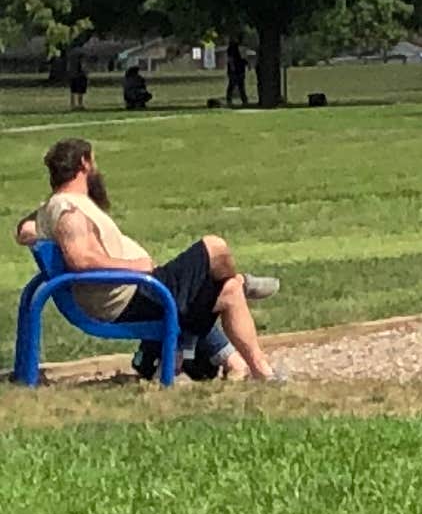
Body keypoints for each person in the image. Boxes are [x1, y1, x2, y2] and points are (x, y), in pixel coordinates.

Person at [18, 140, 283, 382]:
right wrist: (135, 267)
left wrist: (32, 230)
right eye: (94, 163)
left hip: (135, 289)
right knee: (215, 248)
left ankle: (262, 373)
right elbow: (81, 260)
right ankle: (239, 284)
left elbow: (29, 229)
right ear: (84, 163)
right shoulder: (69, 210)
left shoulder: (64, 205)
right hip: (129, 295)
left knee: (229, 291)